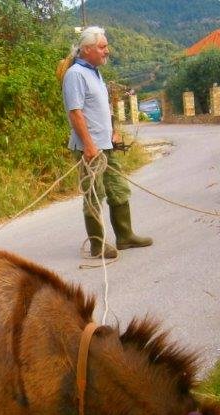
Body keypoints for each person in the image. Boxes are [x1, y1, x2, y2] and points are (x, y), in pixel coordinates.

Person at [60, 26, 153, 259]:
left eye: (106, 46)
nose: (106, 51)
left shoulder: (94, 72)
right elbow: (75, 113)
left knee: (118, 189)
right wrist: (89, 145)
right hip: (89, 148)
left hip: (106, 145)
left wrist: (112, 131)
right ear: (87, 49)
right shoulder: (75, 75)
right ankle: (97, 245)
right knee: (95, 194)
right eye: (102, 47)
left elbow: (100, 108)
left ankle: (125, 236)